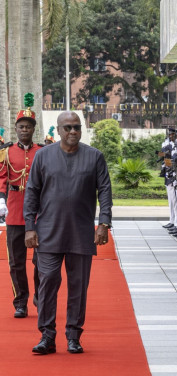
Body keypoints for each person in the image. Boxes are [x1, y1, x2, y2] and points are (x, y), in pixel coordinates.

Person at [24, 111, 112, 355]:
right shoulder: (43, 157)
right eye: (68, 127)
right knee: (48, 282)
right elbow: (31, 193)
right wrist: (30, 227)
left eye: (77, 127)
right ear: (59, 129)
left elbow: (104, 191)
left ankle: (73, 335)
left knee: (78, 286)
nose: (73, 131)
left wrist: (104, 223)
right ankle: (47, 336)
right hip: (48, 233)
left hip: (81, 233)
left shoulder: (94, 157)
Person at [0, 93, 43, 318]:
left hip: (39, 213)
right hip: (15, 210)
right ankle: (20, 302)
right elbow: (2, 178)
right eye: (21, 126)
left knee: (41, 260)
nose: (24, 130)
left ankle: (39, 295)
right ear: (15, 129)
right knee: (16, 262)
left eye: (28, 126)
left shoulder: (43, 152)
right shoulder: (6, 152)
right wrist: (1, 199)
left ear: (33, 129)